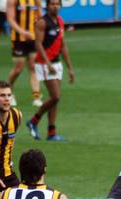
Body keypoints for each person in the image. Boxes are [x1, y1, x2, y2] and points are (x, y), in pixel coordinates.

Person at [25, 0, 74, 142]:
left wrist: (70, 67)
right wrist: (47, 63)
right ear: (47, 5)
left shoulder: (60, 21)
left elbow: (63, 45)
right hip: (45, 64)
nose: (55, 6)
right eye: (52, 4)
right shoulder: (42, 22)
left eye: (57, 4)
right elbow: (38, 44)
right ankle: (33, 121)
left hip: (57, 63)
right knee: (56, 96)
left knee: (54, 100)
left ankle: (51, 133)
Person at [6, 0, 42, 107]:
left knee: (33, 67)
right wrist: (22, 32)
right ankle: (9, 92)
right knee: (18, 68)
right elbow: (10, 20)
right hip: (18, 39)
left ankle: (36, 97)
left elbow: (39, 16)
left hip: (33, 38)